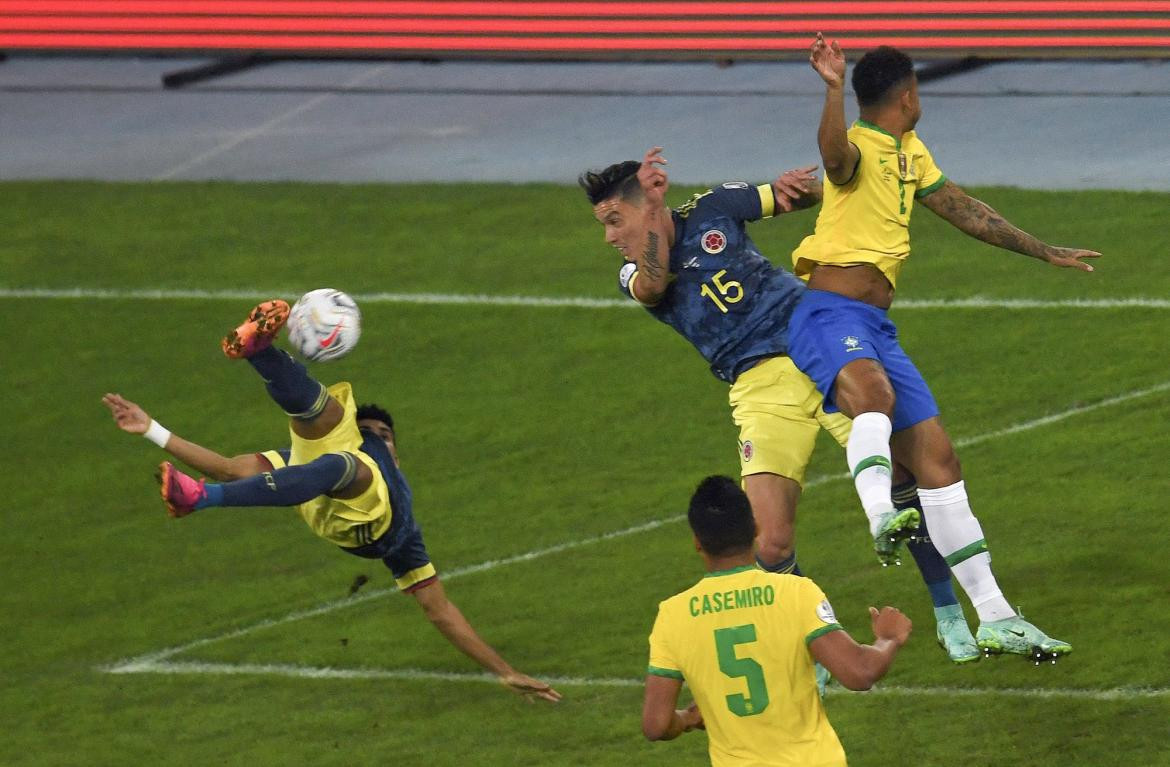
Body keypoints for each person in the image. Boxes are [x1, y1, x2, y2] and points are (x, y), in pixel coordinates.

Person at [580, 149, 979, 663]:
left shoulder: (714, 209)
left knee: (903, 469)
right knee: (768, 543)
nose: (610, 237)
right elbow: (655, 285)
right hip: (757, 388)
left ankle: (948, 612)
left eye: (615, 220)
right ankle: (821, 648)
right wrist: (654, 212)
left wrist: (837, 195)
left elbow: (797, 196)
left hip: (813, 345)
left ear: (643, 207)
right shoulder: (635, 273)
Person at [789, 34, 1098, 660]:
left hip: (875, 326)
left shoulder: (911, 152)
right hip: (827, 313)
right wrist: (829, 89)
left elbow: (964, 210)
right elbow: (832, 154)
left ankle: (997, 617)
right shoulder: (860, 149)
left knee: (940, 464)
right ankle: (881, 516)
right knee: (872, 396)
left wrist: (1045, 249)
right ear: (907, 94)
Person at [103, 299, 561, 702]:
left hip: (367, 517)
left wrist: (505, 672)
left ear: (396, 448)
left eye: (384, 435)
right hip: (321, 484)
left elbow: (440, 611)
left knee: (344, 459)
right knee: (329, 436)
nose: (378, 437)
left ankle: (204, 493)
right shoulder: (344, 449)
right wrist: (151, 429)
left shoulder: (404, 535)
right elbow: (227, 466)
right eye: (373, 432)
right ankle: (259, 354)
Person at [642, 475, 911, 766]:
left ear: (697, 543)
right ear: (755, 528)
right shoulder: (795, 592)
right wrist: (888, 638)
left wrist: (685, 719)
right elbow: (859, 672)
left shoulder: (673, 614)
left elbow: (655, 724)